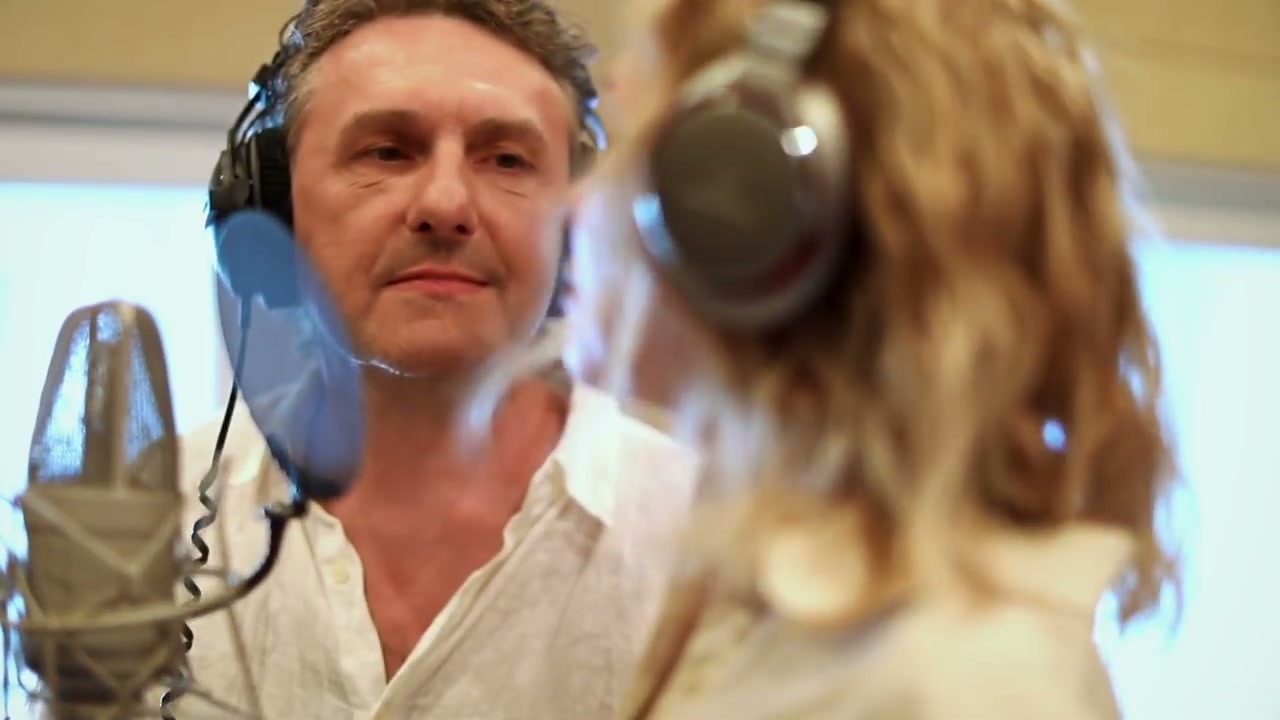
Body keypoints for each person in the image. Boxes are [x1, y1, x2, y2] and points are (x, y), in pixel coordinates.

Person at [562, 0, 1182, 716]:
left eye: (627, 146)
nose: (576, 206)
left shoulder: (965, 679)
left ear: (745, 217)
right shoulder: (780, 596)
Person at [169, 1, 700, 718]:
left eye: (507, 159)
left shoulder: (713, 542)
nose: (447, 204)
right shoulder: (142, 524)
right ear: (271, 203)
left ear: (573, 226)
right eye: (387, 152)